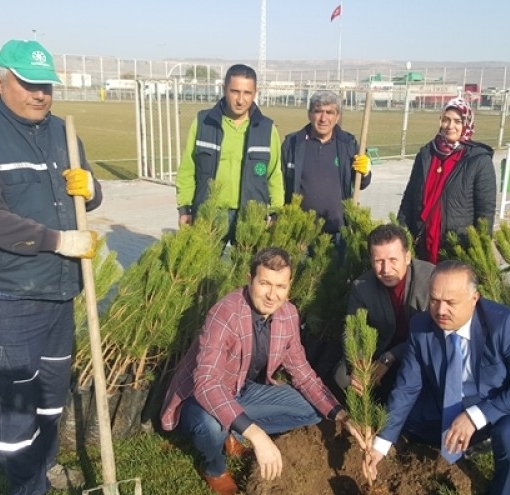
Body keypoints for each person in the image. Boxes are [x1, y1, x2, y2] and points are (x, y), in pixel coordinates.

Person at [0, 39, 102, 495]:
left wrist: (91, 188)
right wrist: (58, 241)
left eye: (47, 86)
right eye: (29, 84)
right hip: (6, 300)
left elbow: (88, 197)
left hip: (58, 295)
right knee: (15, 411)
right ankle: (27, 489)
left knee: (52, 400)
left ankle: (44, 468)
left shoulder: (64, 134)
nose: (41, 94)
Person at [160, 247, 360, 495]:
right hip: (200, 400)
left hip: (242, 390)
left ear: (289, 286)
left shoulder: (288, 314)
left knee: (312, 409)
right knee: (211, 426)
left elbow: (302, 372)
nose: (272, 295)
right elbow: (206, 383)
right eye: (264, 283)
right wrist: (257, 435)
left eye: (280, 286)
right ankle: (214, 468)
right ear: (249, 279)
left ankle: (232, 430)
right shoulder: (225, 313)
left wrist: (340, 414)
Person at [364, 261, 510, 495]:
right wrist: (381, 444)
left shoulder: (509, 327)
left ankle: (503, 492)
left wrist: (475, 416)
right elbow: (407, 388)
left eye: (451, 302)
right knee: (411, 419)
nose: (440, 311)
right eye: (435, 300)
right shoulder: (422, 327)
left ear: (474, 298)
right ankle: (473, 440)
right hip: (459, 393)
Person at [176, 64, 283, 241]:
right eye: (235, 91)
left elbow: (274, 176)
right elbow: (188, 169)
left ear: (255, 92)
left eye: (247, 93)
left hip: (251, 216)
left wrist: (275, 213)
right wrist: (185, 209)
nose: (240, 100)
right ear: (224, 89)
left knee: (247, 268)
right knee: (205, 268)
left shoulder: (267, 129)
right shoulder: (203, 123)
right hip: (209, 214)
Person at [334, 224, 434, 399]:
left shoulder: (430, 279)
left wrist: (390, 357)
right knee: (343, 377)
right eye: (379, 261)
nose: (386, 270)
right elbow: (351, 330)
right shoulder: (362, 287)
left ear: (408, 257)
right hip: (379, 351)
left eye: (393, 260)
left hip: (420, 352)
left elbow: (432, 333)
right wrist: (359, 364)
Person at [397, 98, 496, 263]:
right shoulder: (426, 154)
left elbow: (485, 212)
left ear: (467, 124)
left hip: (457, 248)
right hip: (423, 245)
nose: (450, 126)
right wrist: (401, 234)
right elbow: (409, 197)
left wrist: (480, 252)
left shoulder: (478, 160)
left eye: (458, 121)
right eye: (446, 119)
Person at [281, 90, 371, 244]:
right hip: (300, 233)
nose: (323, 118)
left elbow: (361, 183)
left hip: (338, 233)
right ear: (309, 114)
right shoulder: (292, 144)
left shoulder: (348, 144)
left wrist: (366, 172)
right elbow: (279, 183)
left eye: (329, 112)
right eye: (318, 111)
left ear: (337, 116)